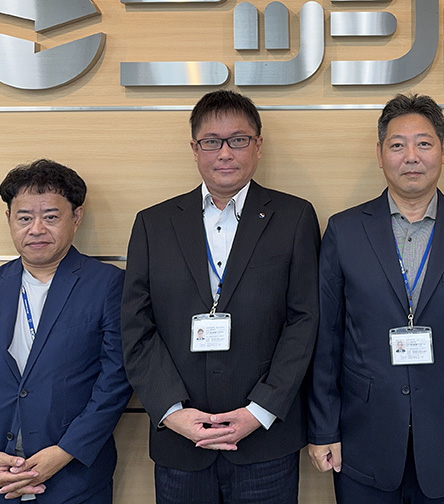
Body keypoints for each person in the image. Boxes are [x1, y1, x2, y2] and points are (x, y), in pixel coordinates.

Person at [121, 89, 319, 504]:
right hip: (181, 442)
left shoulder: (295, 217)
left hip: (265, 440)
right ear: (195, 149)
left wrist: (260, 410)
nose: (225, 153)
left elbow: (304, 321)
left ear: (258, 146)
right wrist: (173, 412)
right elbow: (137, 327)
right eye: (211, 141)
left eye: (238, 140)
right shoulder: (153, 224)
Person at [307, 93, 444, 504]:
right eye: (397, 145)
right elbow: (327, 339)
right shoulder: (344, 231)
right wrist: (324, 428)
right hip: (363, 438)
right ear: (380, 154)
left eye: (424, 143)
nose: (411, 156)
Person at [0, 159, 132, 503]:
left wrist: (65, 451)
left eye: (50, 217)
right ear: (9, 219)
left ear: (76, 217)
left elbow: (117, 380)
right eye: (24, 218)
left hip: (75, 480)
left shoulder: (108, 285)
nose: (36, 229)